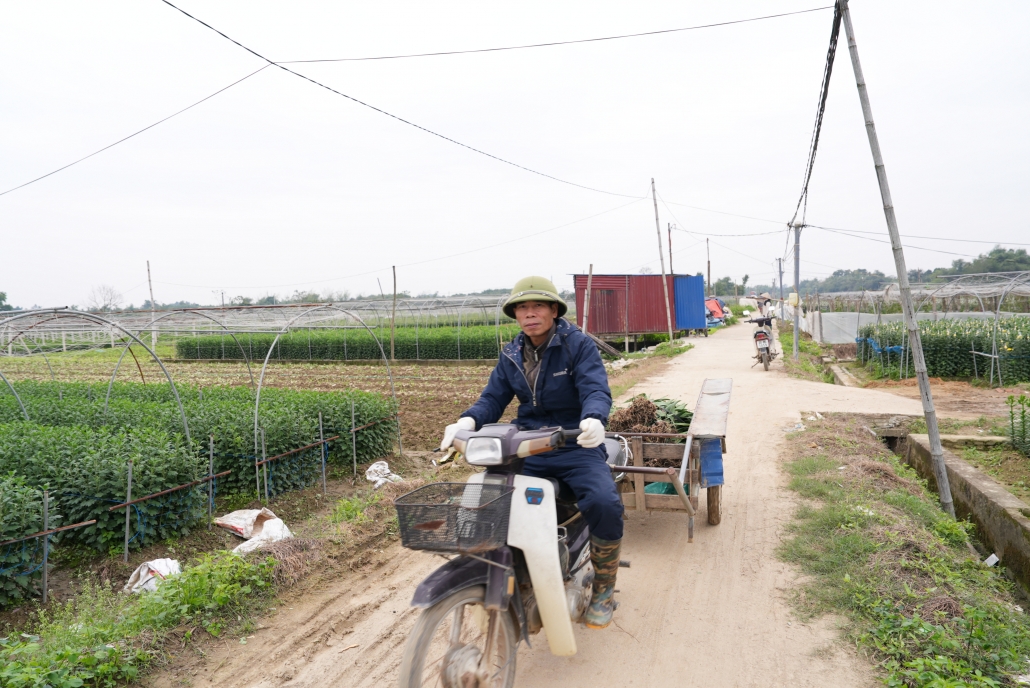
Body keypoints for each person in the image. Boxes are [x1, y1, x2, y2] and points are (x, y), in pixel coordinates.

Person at [438, 276, 623, 629]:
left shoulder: (577, 345)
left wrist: (594, 419)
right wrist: (466, 421)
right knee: (489, 497)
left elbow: (595, 389)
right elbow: (492, 399)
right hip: (529, 445)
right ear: (515, 314)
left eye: (537, 305)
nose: (529, 313)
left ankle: (604, 588)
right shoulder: (511, 354)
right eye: (522, 307)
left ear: (553, 310)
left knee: (603, 501)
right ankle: (511, 571)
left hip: (574, 443)